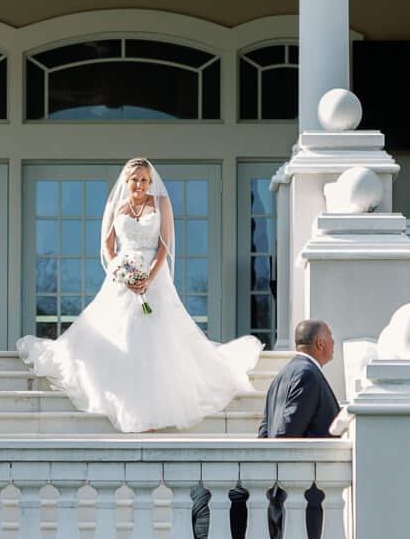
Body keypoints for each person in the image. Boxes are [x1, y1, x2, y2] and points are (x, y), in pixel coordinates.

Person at [17, 158, 263, 433]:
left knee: (155, 337)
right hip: (121, 280)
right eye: (135, 179)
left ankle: (153, 410)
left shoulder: (160, 204)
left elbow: (164, 246)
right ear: (126, 181)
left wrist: (148, 277)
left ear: (150, 182)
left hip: (154, 281)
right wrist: (120, 271)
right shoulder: (116, 207)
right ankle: (121, 400)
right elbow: (108, 248)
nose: (140, 184)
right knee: (119, 334)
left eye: (144, 180)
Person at [258, 319, 340, 439]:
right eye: (330, 336)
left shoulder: (281, 376)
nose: (333, 342)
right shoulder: (308, 375)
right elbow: (286, 433)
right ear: (320, 343)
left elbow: (265, 431)